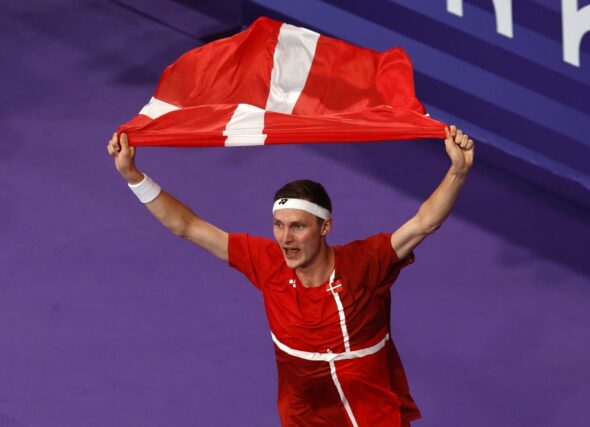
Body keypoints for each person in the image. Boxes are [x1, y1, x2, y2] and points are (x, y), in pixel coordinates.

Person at [106, 125, 474, 426]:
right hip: (303, 414)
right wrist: (133, 176)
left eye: (298, 227)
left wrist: (457, 171)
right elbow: (186, 225)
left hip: (368, 413)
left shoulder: (365, 263)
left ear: (325, 226)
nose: (285, 238)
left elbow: (424, 223)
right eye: (279, 226)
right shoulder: (266, 262)